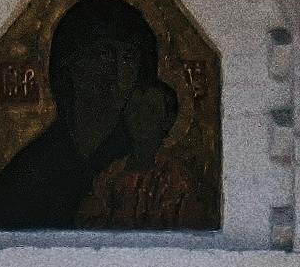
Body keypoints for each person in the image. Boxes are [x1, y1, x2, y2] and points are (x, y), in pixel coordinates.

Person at [0, 0, 158, 230]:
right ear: (72, 64)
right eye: (103, 54)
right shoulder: (29, 172)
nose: (117, 72)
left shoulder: (147, 167)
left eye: (128, 59)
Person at [76, 77, 211, 232]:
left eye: (151, 110)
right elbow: (88, 223)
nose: (140, 118)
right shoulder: (111, 175)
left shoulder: (178, 180)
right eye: (135, 109)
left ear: (168, 120)